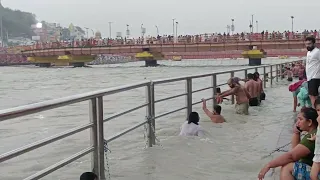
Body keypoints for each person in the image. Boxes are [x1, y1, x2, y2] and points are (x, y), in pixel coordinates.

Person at [258, 107, 318, 180]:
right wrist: (296, 132)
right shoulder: (314, 132)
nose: (297, 122)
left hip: (316, 173)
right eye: (297, 119)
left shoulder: (312, 136)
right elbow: (295, 153)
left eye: (300, 119)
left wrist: (268, 165)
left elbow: (292, 156)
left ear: (309, 122)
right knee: (286, 164)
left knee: (287, 167)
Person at [305, 36, 320, 107]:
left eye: (309, 44)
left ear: (313, 43)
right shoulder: (308, 52)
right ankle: (316, 110)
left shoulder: (317, 52)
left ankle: (316, 111)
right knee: (312, 95)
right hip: (309, 76)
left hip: (315, 76)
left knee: (313, 95)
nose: (308, 45)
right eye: (306, 44)